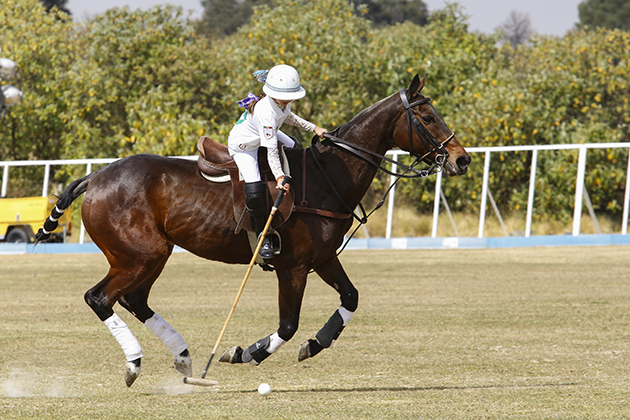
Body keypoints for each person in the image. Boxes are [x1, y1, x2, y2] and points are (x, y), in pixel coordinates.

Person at [228, 64, 327, 259]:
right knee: (255, 189)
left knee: (294, 146)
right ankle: (263, 238)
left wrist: (315, 128)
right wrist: (280, 177)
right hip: (244, 146)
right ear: (273, 92)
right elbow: (271, 151)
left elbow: (289, 117)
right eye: (287, 96)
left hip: (268, 131)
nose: (290, 99)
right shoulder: (266, 112)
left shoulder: (281, 101)